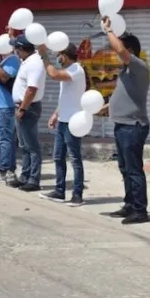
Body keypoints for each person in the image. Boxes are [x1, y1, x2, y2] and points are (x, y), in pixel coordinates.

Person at [100, 17, 150, 225]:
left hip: (133, 126)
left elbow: (120, 50)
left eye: (120, 50)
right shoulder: (125, 71)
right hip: (122, 125)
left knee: (134, 169)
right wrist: (107, 107)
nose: (115, 53)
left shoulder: (139, 66)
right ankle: (130, 204)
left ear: (129, 50)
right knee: (125, 168)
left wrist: (108, 30)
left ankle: (140, 210)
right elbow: (125, 94)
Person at [37, 42, 86, 205]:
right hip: (63, 120)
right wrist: (56, 114)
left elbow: (53, 74)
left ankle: (77, 194)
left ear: (65, 55)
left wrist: (44, 56)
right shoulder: (68, 70)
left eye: (59, 55)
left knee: (74, 158)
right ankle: (59, 191)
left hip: (73, 122)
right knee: (58, 157)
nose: (58, 58)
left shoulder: (76, 70)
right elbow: (66, 96)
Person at [10, 33, 46, 192]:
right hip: (22, 106)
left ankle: (33, 179)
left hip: (28, 108)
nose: (15, 51)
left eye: (16, 48)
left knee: (32, 146)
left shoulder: (34, 63)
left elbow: (31, 89)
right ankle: (25, 176)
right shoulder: (27, 61)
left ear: (22, 49)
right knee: (24, 145)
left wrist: (23, 108)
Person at [0, 35, 21, 185]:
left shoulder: (13, 60)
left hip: (5, 105)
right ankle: (10, 169)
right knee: (7, 138)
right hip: (0, 105)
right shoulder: (5, 60)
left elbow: (4, 77)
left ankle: (3, 171)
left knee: (5, 138)